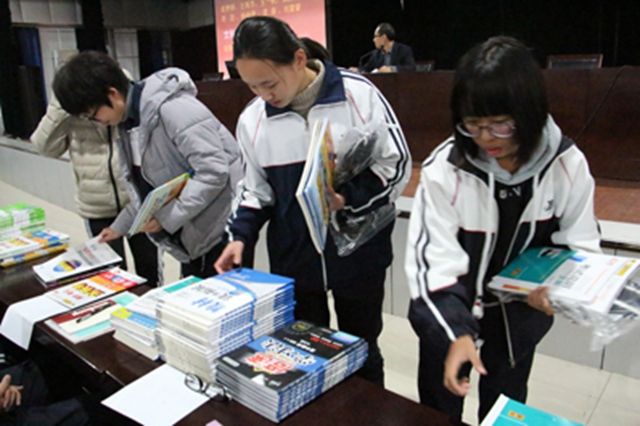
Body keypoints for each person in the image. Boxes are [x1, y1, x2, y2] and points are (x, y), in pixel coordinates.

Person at [404, 36, 600, 422]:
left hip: (517, 321)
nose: (485, 138)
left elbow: (580, 246)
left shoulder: (567, 165)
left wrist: (558, 291)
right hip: (451, 311)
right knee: (439, 406)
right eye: (473, 125)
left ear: (529, 113)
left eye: (500, 125)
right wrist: (455, 334)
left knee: (505, 409)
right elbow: (431, 264)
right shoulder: (447, 168)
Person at [215, 16, 411, 386]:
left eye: (270, 83)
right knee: (305, 358)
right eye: (252, 86)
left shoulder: (357, 94)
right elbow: (255, 191)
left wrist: (347, 198)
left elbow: (395, 164)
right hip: (296, 259)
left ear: (299, 59)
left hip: (360, 257)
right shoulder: (253, 120)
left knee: (363, 350)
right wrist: (240, 237)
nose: (264, 95)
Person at [52, 51, 243, 279]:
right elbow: (147, 188)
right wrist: (119, 226)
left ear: (113, 94)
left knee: (218, 295)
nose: (98, 123)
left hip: (219, 229)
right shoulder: (128, 124)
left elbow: (213, 172)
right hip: (193, 231)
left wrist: (166, 219)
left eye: (93, 115)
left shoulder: (175, 110)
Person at [31, 90, 159, 286]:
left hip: (136, 202)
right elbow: (44, 147)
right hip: (96, 205)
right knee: (112, 276)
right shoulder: (69, 103)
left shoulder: (120, 94)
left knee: (150, 272)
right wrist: (61, 105)